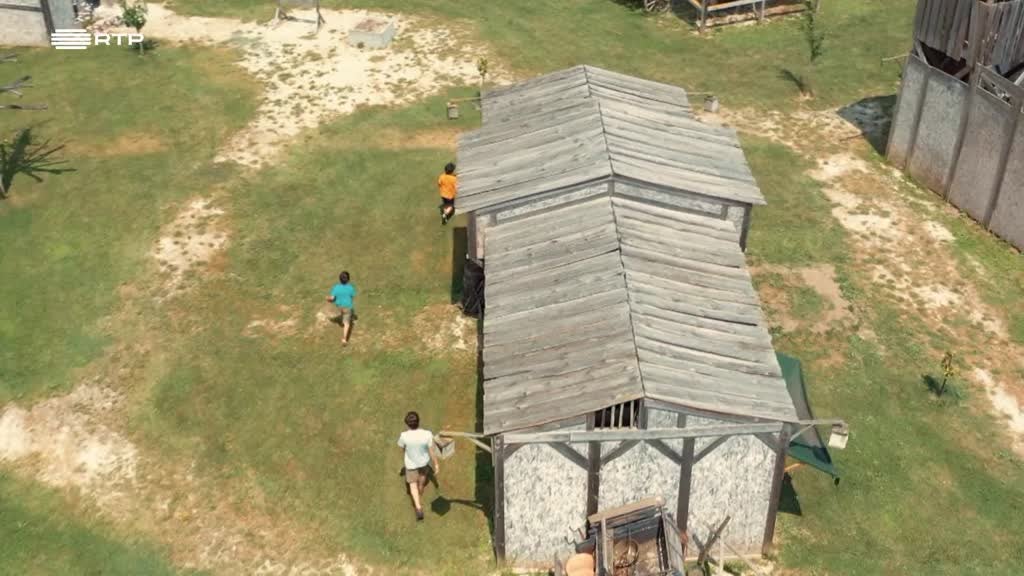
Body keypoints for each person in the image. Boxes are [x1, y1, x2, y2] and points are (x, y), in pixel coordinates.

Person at [397, 411, 439, 521]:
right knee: (422, 476)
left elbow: (402, 448)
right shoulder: (427, 434)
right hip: (424, 462)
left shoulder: (404, 436)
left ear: (407, 424)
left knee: (412, 485)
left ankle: (419, 508)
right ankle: (421, 488)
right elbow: (431, 451)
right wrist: (436, 464)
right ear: (418, 422)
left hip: (411, 464)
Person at [325, 271, 356, 345]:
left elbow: (332, 298)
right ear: (348, 279)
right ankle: (344, 339)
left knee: (343, 314)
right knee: (347, 324)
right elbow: (352, 296)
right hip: (348, 307)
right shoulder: (350, 288)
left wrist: (328, 299)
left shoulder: (336, 287)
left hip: (340, 307)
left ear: (340, 279)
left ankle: (344, 319)